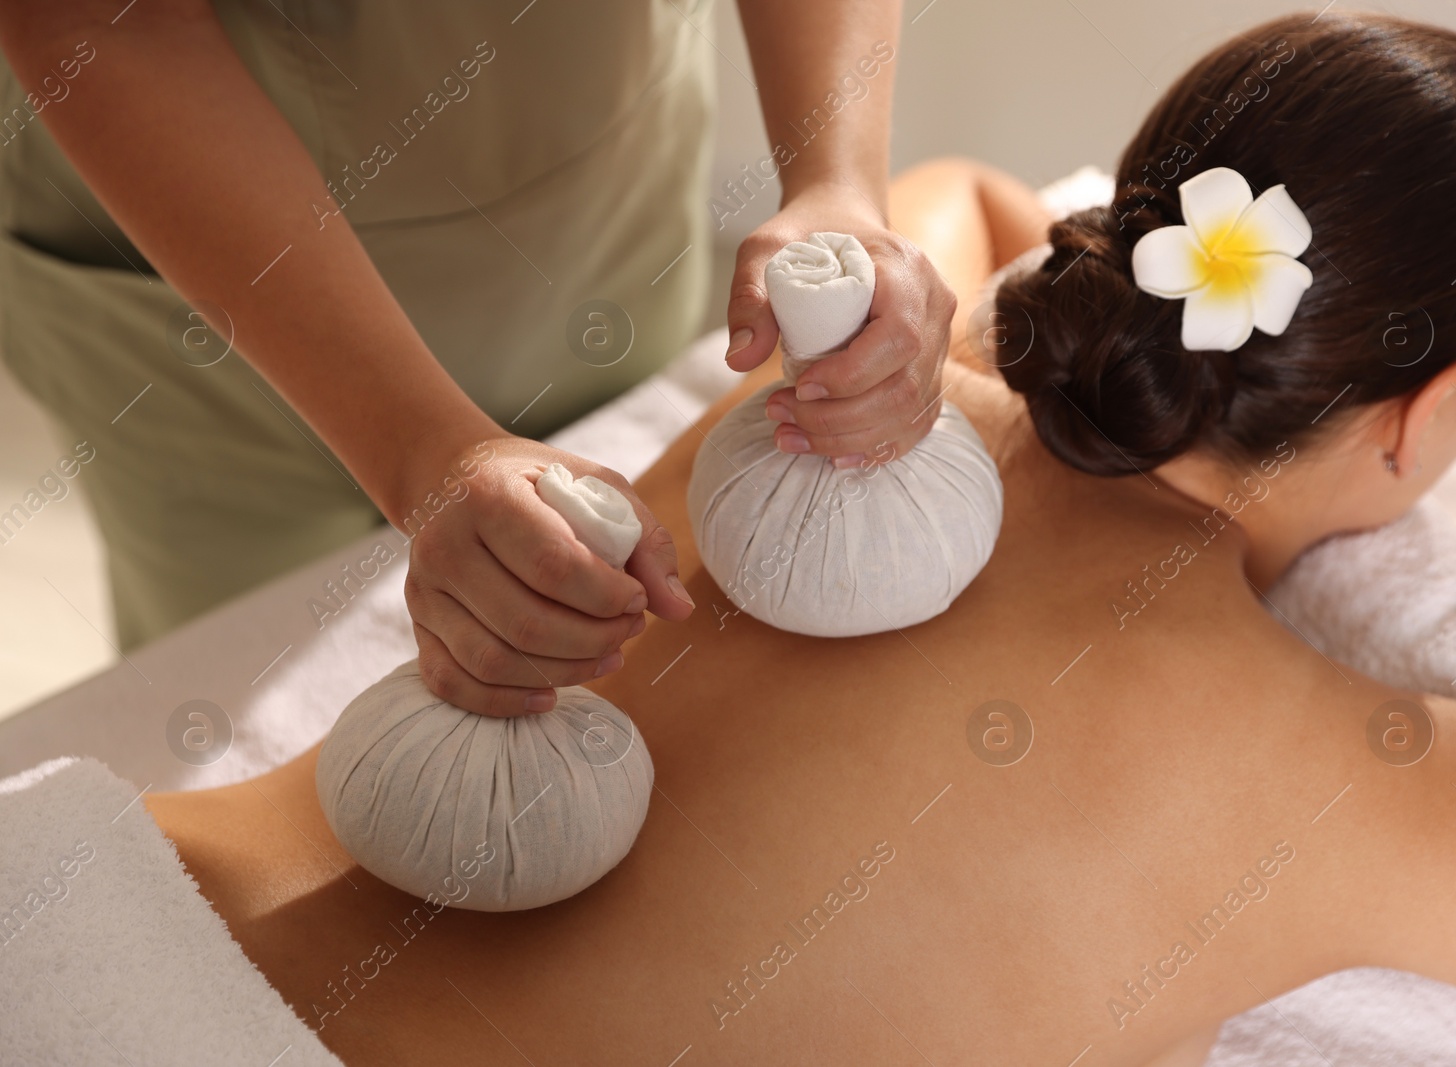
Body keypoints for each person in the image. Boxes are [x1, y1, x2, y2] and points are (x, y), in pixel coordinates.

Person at [140, 13, 1456, 1064]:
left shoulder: (842, 381)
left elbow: (958, 199)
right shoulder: (1373, 779)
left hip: (112, 905)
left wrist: (1098, 321)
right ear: (1426, 414)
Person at [0, 0, 955, 715]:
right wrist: (422, 451)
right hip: (204, 263)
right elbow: (101, 20)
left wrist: (837, 179)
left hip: (597, 177)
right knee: (251, 693)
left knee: (632, 572)